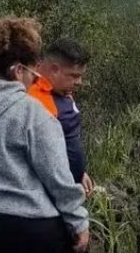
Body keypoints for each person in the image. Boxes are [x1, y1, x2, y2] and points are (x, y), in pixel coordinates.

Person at [0, 16, 90, 253]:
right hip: (30, 228)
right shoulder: (33, 114)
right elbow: (57, 178)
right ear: (18, 70)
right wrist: (79, 222)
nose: (35, 79)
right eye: (33, 73)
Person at [28, 37, 94, 197]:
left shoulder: (60, 92)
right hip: (45, 195)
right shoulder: (34, 99)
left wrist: (79, 174)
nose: (79, 82)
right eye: (73, 75)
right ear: (54, 69)